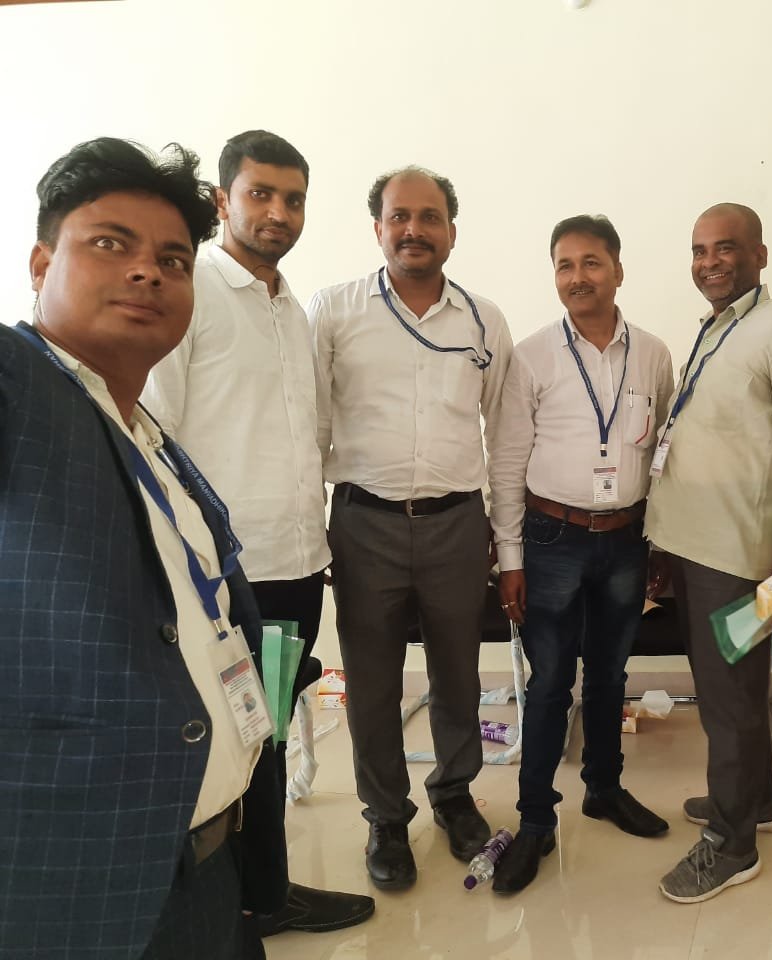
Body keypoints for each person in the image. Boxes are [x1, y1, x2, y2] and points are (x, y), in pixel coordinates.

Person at [0, 138, 287, 958]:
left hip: (209, 866)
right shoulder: (20, 391)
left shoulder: (149, 438)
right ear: (40, 263)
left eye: (173, 260)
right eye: (110, 243)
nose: (147, 273)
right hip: (90, 889)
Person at [143, 130, 373, 937]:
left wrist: (318, 540)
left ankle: (263, 895)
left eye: (294, 199)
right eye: (261, 194)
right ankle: (243, 903)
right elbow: (153, 433)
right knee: (235, 741)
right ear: (222, 201)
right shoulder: (193, 291)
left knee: (266, 735)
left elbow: (300, 436)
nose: (279, 212)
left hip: (295, 565)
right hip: (225, 577)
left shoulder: (291, 311)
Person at [308, 166, 513, 890]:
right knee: (371, 681)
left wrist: (505, 539)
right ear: (378, 228)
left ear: (452, 230)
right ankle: (386, 818)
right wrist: (313, 529)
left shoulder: (484, 320)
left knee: (459, 672)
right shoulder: (333, 311)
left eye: (430, 217)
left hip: (457, 523)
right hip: (365, 523)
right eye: (399, 216)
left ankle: (454, 796)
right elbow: (312, 426)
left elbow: (503, 434)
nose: (414, 230)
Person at [644, 203, 772, 903]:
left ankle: (731, 843)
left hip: (746, 559)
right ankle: (758, 801)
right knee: (730, 690)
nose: (710, 262)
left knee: (729, 701)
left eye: (725, 248)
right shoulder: (717, 327)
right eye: (699, 250)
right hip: (697, 546)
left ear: (760, 254)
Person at [488, 214, 674, 893]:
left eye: (591, 262)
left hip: (625, 538)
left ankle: (604, 788)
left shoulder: (652, 354)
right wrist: (510, 558)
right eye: (564, 265)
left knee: (610, 675)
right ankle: (536, 820)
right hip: (552, 539)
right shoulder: (532, 355)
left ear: (618, 269)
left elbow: (663, 453)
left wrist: (659, 538)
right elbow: (507, 461)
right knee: (548, 685)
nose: (577, 277)